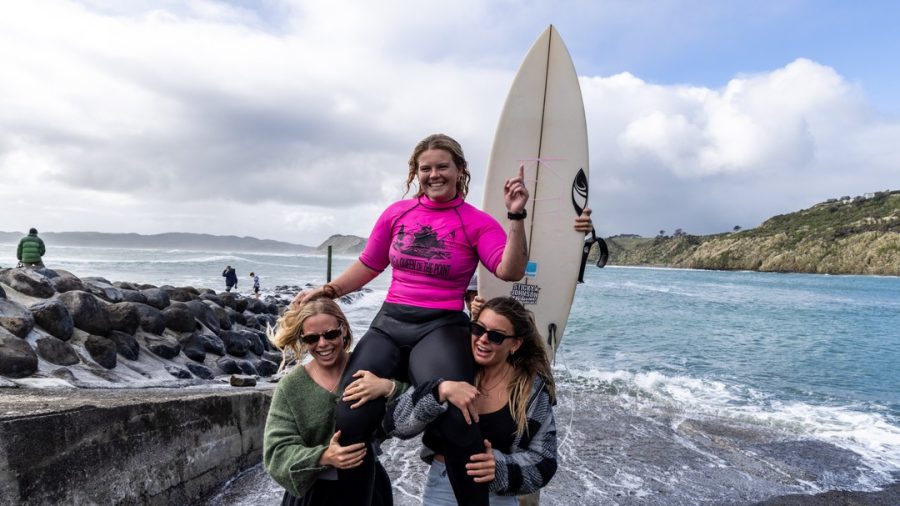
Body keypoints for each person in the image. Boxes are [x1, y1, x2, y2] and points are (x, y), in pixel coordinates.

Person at [295, 133, 531, 506]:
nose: (434, 174)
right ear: (415, 173)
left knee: (459, 416)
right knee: (351, 416)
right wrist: (329, 291)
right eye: (426, 168)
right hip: (391, 322)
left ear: (459, 171)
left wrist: (516, 215)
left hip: (441, 325)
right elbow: (370, 264)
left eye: (442, 167)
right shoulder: (396, 214)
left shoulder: (476, 223)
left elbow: (510, 269)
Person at [383, 297, 558, 505]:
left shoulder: (531, 390)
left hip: (498, 496)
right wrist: (439, 391)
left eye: (496, 336)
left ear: (515, 344)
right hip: (443, 489)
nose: (483, 339)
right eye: (478, 329)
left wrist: (501, 468)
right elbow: (395, 425)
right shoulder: (451, 368)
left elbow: (545, 460)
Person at [264, 297, 404, 506]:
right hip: (314, 494)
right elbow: (276, 451)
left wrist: (388, 387)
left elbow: (415, 405)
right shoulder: (291, 387)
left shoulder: (369, 369)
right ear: (303, 340)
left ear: (344, 330)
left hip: (370, 487)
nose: (322, 344)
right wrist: (324, 456)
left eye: (331, 334)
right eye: (312, 339)